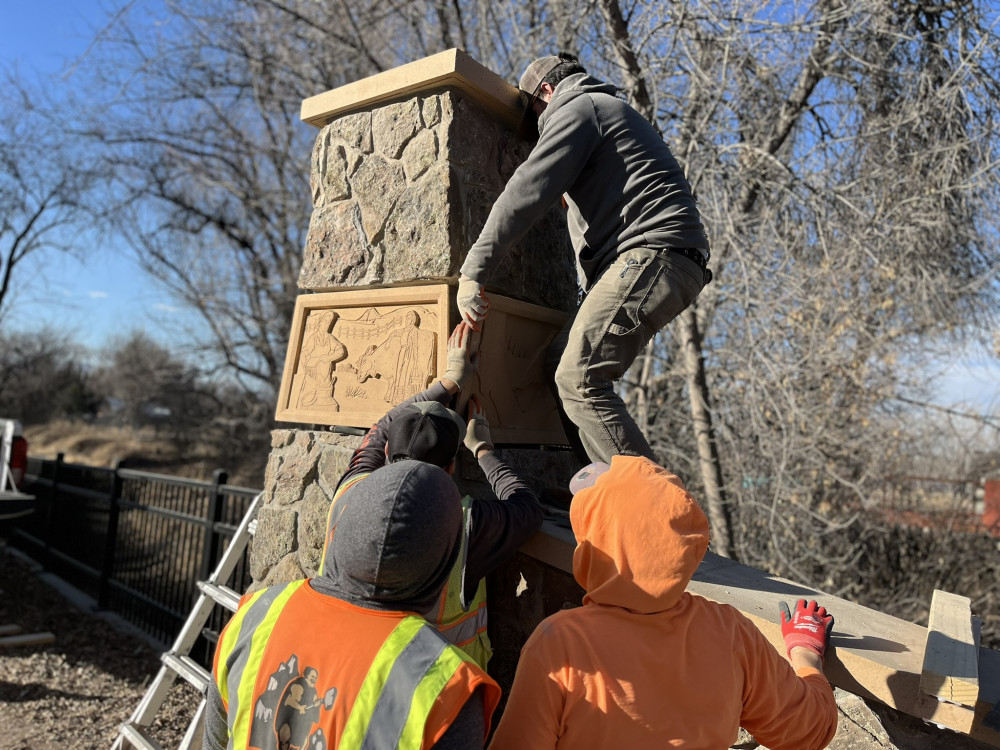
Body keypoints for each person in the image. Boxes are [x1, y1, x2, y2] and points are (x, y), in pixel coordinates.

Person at [457, 52, 712, 466]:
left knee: (580, 378)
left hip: (653, 252)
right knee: (563, 362)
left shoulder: (578, 108)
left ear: (546, 91)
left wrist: (474, 272)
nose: (538, 127)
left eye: (535, 114)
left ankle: (651, 517)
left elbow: (525, 192)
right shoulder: (606, 112)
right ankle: (599, 492)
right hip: (661, 255)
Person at [488, 456, 838, 750]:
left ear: (593, 545)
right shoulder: (730, 632)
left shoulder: (559, 643)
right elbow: (810, 731)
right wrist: (805, 653)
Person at [204, 461, 501, 750]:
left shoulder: (255, 616)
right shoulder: (443, 690)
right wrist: (485, 452)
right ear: (445, 561)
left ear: (344, 526)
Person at [321, 321, 543, 668]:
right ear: (452, 466)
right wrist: (484, 451)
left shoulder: (350, 490)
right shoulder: (468, 523)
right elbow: (527, 507)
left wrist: (447, 381)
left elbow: (380, 427)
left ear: (387, 454)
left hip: (346, 669)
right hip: (435, 698)